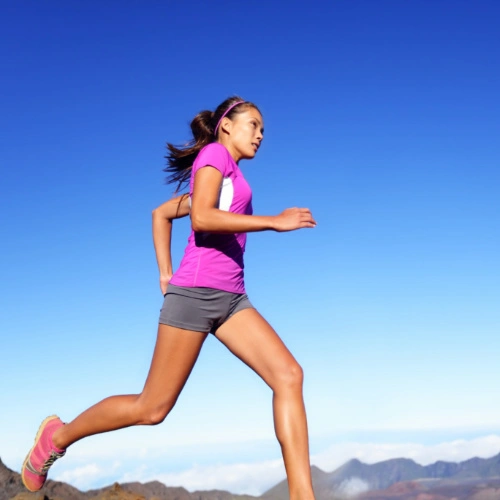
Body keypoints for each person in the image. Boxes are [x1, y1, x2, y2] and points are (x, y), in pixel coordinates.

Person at [22, 96, 317, 500]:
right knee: (152, 408)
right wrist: (274, 221)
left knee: (288, 376)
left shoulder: (226, 179)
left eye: (264, 129)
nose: (261, 135)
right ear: (226, 126)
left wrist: (164, 272)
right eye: (254, 125)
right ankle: (58, 436)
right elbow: (203, 219)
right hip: (195, 296)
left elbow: (162, 214)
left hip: (232, 299)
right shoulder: (214, 155)